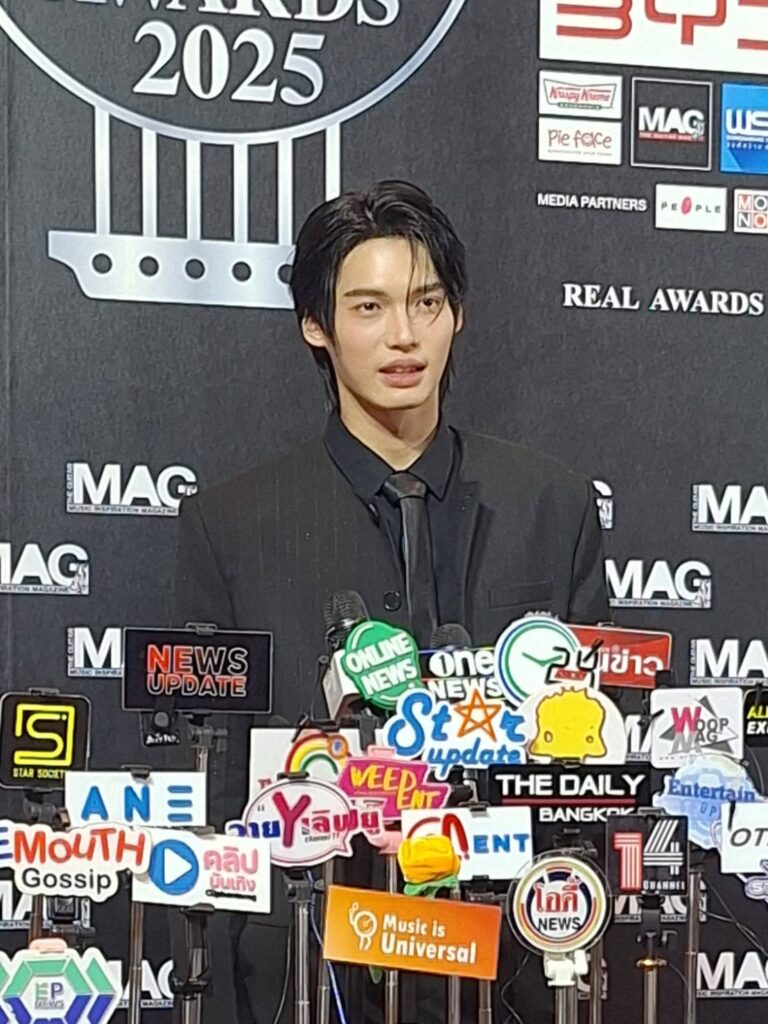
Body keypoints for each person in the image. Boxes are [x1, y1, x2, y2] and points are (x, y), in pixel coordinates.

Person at [171, 179, 609, 1022]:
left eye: (426, 303)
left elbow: (590, 765)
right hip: (303, 965)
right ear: (316, 325)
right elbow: (212, 792)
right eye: (368, 307)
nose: (403, 335)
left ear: (457, 315)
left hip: (511, 962)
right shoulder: (230, 524)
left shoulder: (550, 506)